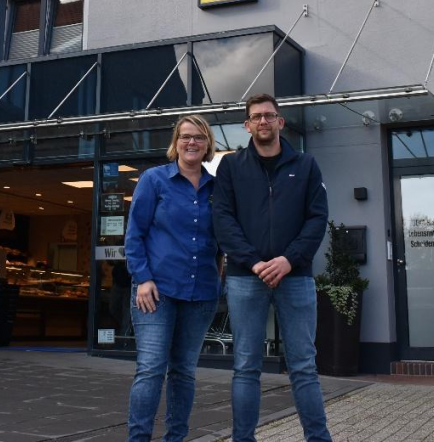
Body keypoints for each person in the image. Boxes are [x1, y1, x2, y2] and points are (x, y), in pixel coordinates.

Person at [214, 94, 332, 442]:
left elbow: (317, 218)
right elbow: (223, 219)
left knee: (304, 366)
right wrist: (254, 262)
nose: (263, 121)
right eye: (256, 117)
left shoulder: (306, 165)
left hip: (295, 276)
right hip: (245, 277)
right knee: (246, 367)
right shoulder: (231, 166)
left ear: (280, 122)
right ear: (247, 125)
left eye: (269, 115)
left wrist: (288, 259)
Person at [124, 115, 221, 442]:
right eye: (185, 136)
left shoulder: (216, 188)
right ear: (176, 142)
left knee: (184, 372)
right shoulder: (154, 179)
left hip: (201, 293)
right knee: (151, 369)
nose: (192, 142)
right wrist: (142, 278)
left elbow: (224, 239)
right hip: (156, 292)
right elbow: (134, 235)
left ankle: (175, 438)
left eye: (199, 137)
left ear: (208, 144)